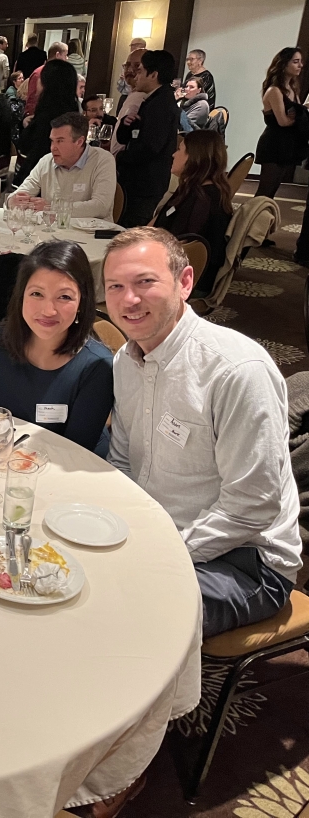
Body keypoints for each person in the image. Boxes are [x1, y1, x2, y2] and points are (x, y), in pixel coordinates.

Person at [104, 226, 302, 638]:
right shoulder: (126, 360)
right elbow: (122, 461)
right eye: (116, 286)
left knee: (119, 610)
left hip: (246, 561)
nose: (129, 300)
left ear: (185, 283)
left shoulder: (235, 371)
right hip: (160, 530)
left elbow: (251, 508)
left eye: (145, 282)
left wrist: (160, 554)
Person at [0, 240, 112, 454]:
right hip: (0, 460)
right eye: (37, 294)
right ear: (21, 296)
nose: (48, 310)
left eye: (64, 297)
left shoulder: (97, 367)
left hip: (67, 469)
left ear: (82, 302)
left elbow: (76, 453)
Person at [152, 131, 232, 296]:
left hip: (184, 278)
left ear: (194, 156)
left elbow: (185, 246)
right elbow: (158, 222)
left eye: (180, 149)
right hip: (169, 263)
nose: (174, 154)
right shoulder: (191, 187)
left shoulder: (204, 198)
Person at [116, 50, 181, 228]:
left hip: (145, 182)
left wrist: (120, 159)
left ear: (153, 74)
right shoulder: (154, 100)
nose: (136, 76)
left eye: (141, 71)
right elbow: (125, 138)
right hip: (142, 179)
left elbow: (150, 147)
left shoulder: (161, 104)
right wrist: (126, 125)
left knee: (132, 229)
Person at [10, 113, 117, 220]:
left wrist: (51, 208)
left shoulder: (102, 160)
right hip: (53, 232)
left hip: (92, 234)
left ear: (79, 142)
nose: (53, 148)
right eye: (52, 141)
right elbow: (21, 193)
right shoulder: (47, 161)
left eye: (60, 141)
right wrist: (12, 201)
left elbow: (101, 207)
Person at [255, 47, 307, 201]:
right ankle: (249, 221)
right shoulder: (274, 90)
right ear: (284, 64)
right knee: (265, 191)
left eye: (300, 62)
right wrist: (298, 116)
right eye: (295, 62)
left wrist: (300, 112)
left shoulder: (292, 88)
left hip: (286, 145)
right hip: (273, 144)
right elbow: (283, 121)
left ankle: (262, 221)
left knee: (272, 191)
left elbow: (295, 115)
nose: (300, 65)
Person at [16, 59, 79, 182]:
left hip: (38, 185)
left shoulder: (48, 119)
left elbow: (34, 157)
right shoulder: (72, 113)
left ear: (48, 84)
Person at [111, 49, 146, 155]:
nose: (130, 70)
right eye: (127, 65)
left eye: (137, 66)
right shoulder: (132, 94)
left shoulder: (145, 97)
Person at [25, 42, 69, 117]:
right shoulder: (39, 73)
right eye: (65, 55)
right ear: (57, 55)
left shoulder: (62, 74)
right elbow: (32, 100)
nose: (67, 58)